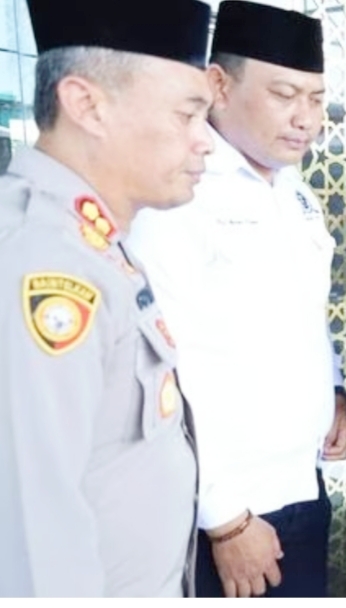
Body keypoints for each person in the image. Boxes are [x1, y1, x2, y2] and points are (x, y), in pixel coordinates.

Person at [126, 2, 346, 598]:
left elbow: (306, 315)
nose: (306, 119)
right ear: (219, 86)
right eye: (284, 95)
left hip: (302, 485)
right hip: (231, 513)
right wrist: (224, 518)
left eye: (317, 98)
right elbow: (165, 367)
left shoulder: (296, 194)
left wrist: (333, 391)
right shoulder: (179, 194)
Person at [0, 0, 212, 597]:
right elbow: (30, 549)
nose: (205, 142)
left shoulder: (93, 240)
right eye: (187, 115)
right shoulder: (42, 262)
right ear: (87, 105)